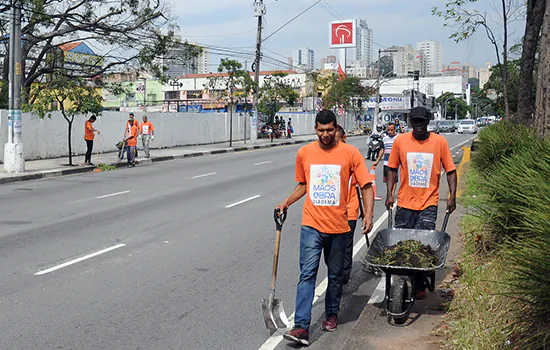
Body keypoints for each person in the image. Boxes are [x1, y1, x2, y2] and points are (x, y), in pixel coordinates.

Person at [276, 110, 375, 346]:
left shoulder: (349, 153)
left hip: (339, 227)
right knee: (307, 274)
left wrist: (368, 214)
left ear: (336, 128)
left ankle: (331, 313)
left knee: (335, 275)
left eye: (330, 130)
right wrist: (286, 202)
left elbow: (366, 185)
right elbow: (304, 184)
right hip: (311, 224)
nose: (325, 134)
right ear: (315, 129)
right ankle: (301, 327)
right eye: (321, 130)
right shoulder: (305, 153)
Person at [385, 106, 457, 298]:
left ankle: (419, 284)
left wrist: (452, 196)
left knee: (424, 245)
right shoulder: (400, 141)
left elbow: (450, 170)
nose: (418, 125)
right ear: (410, 122)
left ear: (428, 122)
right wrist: (390, 193)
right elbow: (392, 168)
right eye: (414, 121)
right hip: (405, 202)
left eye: (422, 121)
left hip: (429, 202)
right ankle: (404, 279)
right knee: (403, 245)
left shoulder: (439, 142)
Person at [334, 125, 364, 285]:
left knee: (345, 246)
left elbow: (363, 185)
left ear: (344, 139)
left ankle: (343, 278)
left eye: (337, 141)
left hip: (349, 210)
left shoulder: (352, 155)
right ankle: (337, 273)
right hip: (332, 212)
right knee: (333, 249)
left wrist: (367, 212)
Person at [373, 122, 398, 192]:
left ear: (395, 130)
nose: (390, 132)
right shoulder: (385, 139)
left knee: (394, 180)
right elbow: (382, 150)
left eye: (392, 130)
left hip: (395, 163)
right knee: (387, 180)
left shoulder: (398, 138)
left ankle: (392, 195)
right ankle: (389, 193)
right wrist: (377, 161)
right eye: (388, 130)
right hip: (386, 163)